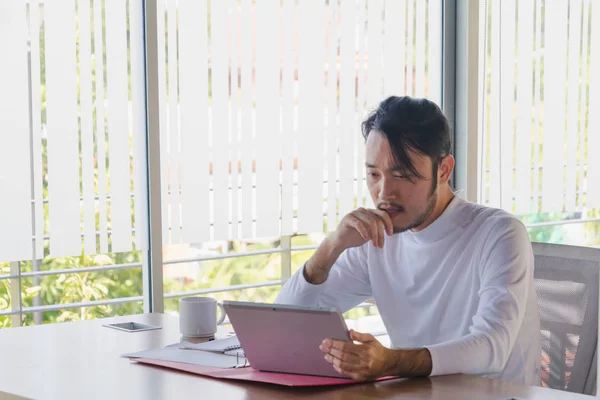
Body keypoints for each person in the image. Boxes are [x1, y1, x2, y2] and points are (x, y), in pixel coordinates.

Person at [275, 96, 541, 385]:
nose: (384, 192)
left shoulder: (499, 234)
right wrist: (331, 248)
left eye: (402, 175)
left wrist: (391, 361)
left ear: (443, 170)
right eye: (374, 174)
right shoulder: (377, 237)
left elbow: (491, 349)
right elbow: (287, 322)